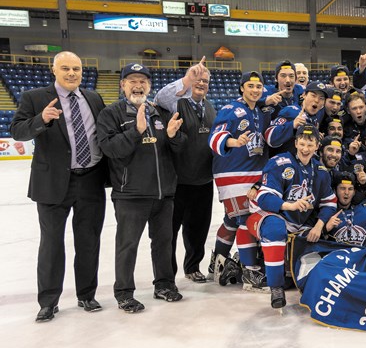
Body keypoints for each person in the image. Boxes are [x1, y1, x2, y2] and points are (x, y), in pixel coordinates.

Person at [10, 51, 108, 322]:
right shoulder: (35, 97)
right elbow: (17, 131)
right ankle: (49, 301)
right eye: (65, 68)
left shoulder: (94, 97)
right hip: (53, 182)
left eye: (76, 68)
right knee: (52, 243)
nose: (72, 73)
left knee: (89, 241)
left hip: (90, 179)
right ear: (54, 70)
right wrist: (41, 120)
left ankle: (86, 295)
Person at [96, 63, 187, 313]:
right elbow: (111, 149)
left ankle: (164, 285)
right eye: (132, 80)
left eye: (143, 81)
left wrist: (173, 136)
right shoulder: (111, 114)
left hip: (163, 194)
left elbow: (180, 147)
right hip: (131, 195)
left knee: (163, 243)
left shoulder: (160, 112)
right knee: (128, 245)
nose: (138, 85)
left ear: (149, 85)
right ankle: (124, 293)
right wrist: (136, 131)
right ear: (122, 85)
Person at [248, 125, 338, 309]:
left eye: (310, 144)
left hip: (300, 221)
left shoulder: (321, 171)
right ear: (296, 143)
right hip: (269, 215)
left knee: (316, 240)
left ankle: (306, 284)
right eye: (302, 143)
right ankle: (276, 287)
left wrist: (319, 226)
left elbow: (329, 203)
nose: (305, 149)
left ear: (317, 146)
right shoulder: (279, 162)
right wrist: (290, 205)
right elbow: (264, 198)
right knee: (275, 228)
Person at [207, 71, 272, 291]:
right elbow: (214, 138)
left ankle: (218, 262)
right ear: (242, 88)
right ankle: (250, 272)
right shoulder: (230, 110)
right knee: (245, 220)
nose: (255, 90)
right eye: (251, 86)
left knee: (231, 221)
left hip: (255, 174)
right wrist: (233, 142)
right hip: (232, 175)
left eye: (259, 86)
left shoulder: (261, 110)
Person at [154, 56, 216, 283]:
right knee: (169, 232)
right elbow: (161, 96)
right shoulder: (176, 103)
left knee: (198, 230)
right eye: (198, 80)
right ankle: (167, 276)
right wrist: (188, 77)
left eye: (205, 81)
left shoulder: (210, 107)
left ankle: (192, 267)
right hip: (177, 181)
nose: (201, 83)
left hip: (203, 180)